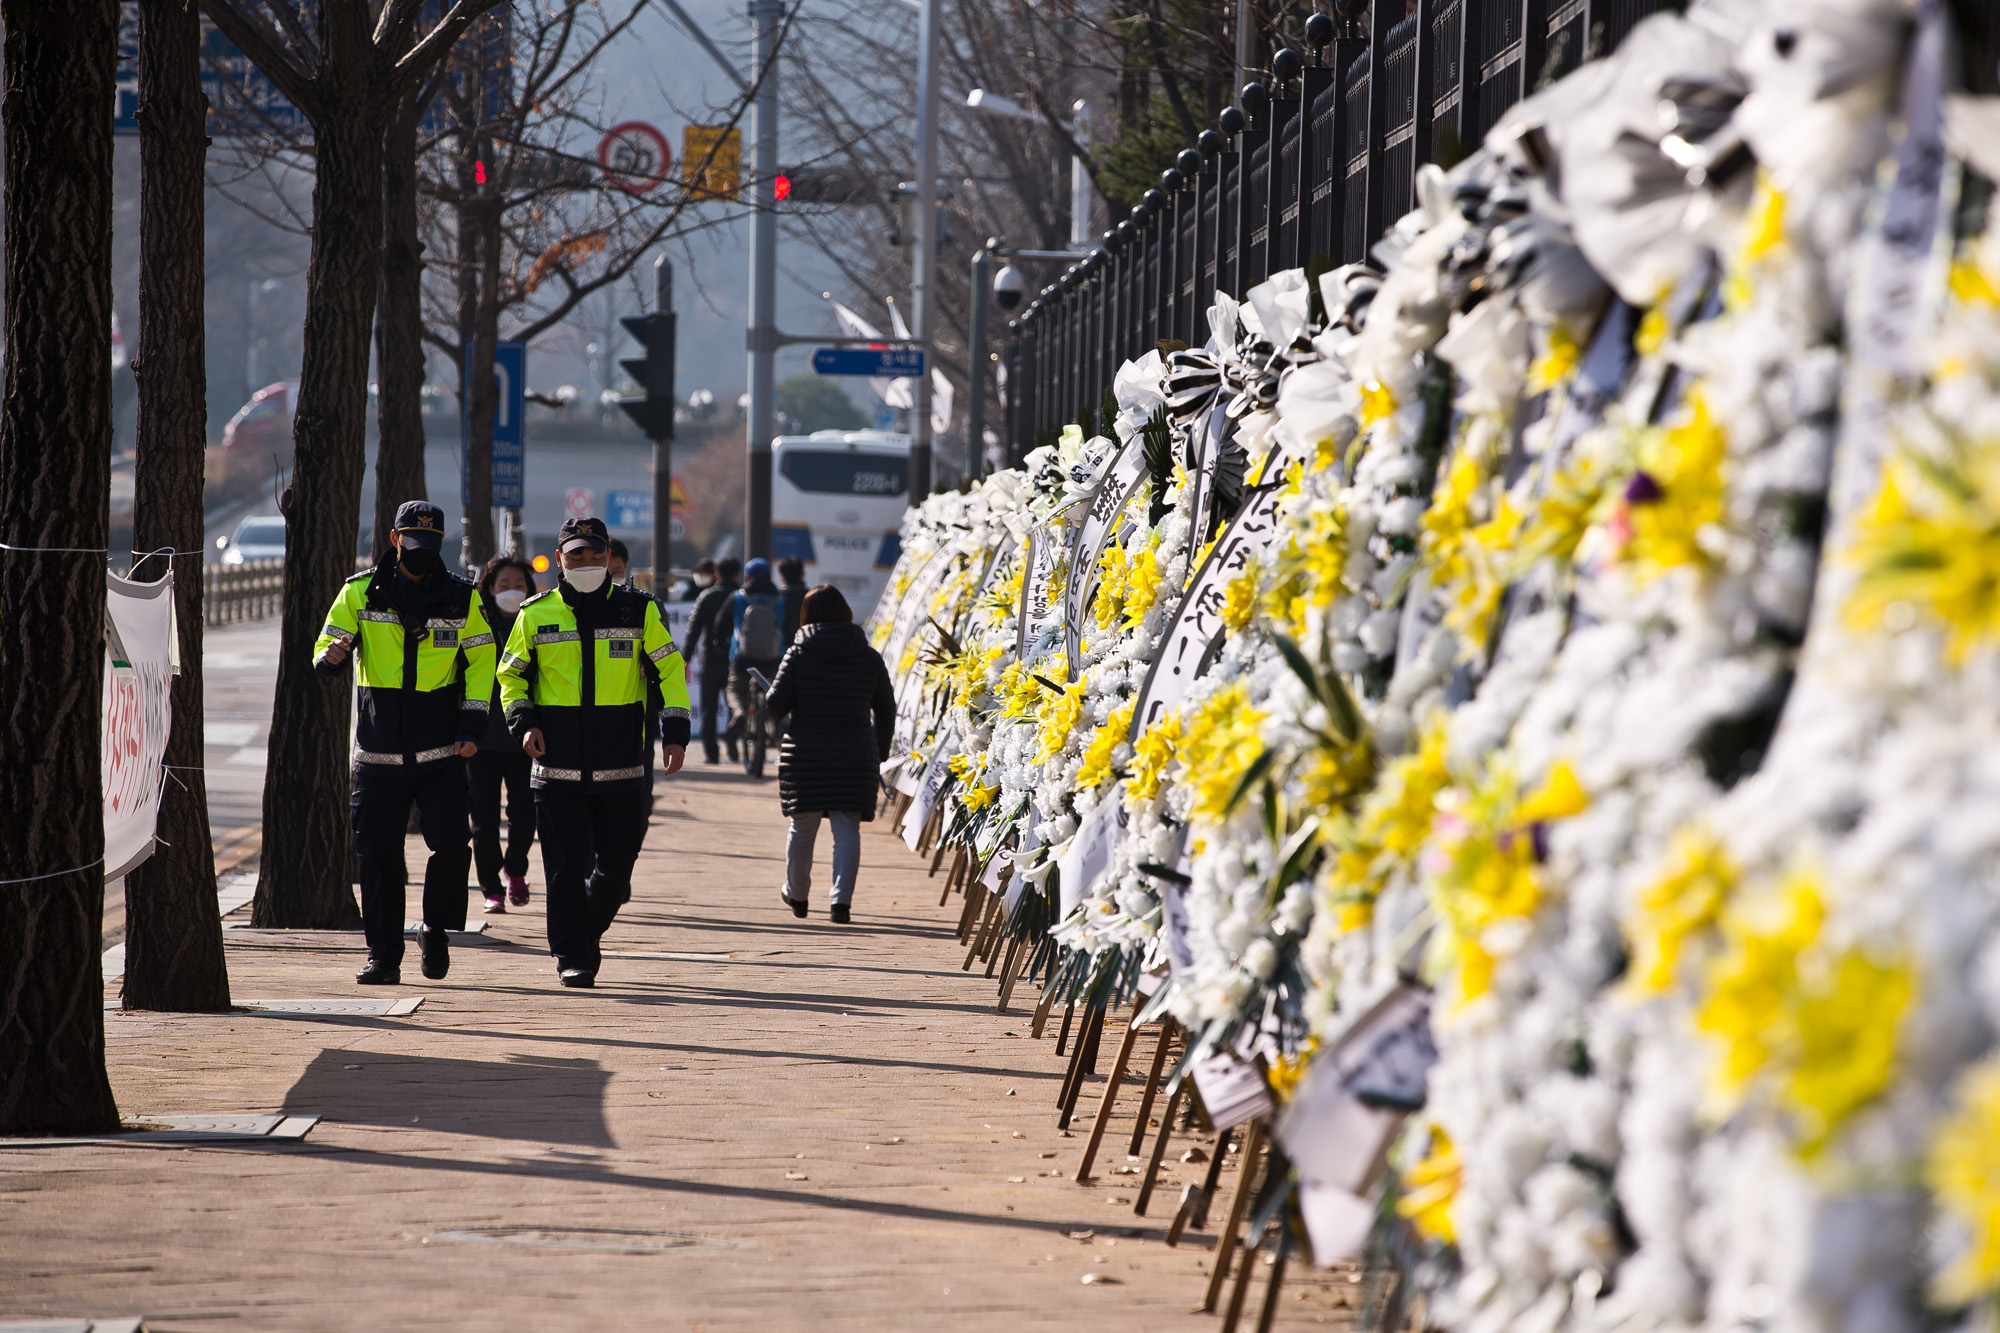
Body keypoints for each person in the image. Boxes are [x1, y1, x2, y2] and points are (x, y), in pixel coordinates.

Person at [498, 516, 690, 988]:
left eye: (596, 554)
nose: (587, 562)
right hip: (555, 766)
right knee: (564, 868)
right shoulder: (535, 613)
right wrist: (524, 724)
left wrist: (676, 732)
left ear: (609, 558)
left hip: (622, 765)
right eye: (577, 554)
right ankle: (572, 956)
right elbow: (510, 676)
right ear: (559, 559)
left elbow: (671, 672)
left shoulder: (638, 611)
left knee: (616, 869)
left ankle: (584, 932)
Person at [314, 501, 495, 985]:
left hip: (441, 752)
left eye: (430, 547)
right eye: (413, 545)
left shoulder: (462, 598)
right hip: (378, 753)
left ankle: (435, 928)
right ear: (396, 540)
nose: (421, 555)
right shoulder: (359, 592)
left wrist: (471, 726)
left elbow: (482, 662)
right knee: (377, 859)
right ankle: (383, 955)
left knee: (455, 848)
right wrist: (332, 656)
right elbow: (327, 644)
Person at [767, 585, 895, 924]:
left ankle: (797, 894)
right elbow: (886, 709)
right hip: (854, 753)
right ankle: (841, 902)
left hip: (805, 754)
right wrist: (879, 751)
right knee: (846, 828)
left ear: (806, 616)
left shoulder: (797, 654)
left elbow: (775, 706)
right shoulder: (869, 657)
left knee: (802, 826)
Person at [471, 555, 538, 914]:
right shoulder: (477, 625)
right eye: (503, 585)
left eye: (518, 585)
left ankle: (515, 870)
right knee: (483, 819)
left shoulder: (541, 623)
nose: (511, 591)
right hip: (480, 738)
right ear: (489, 589)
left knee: (525, 814)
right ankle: (491, 889)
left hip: (524, 738)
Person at [726, 557, 786, 756]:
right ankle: (777, 724)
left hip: (743, 658)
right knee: (774, 690)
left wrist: (720, 644)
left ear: (746, 576)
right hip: (773, 658)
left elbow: (720, 626)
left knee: (735, 689)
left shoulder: (738, 597)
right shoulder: (780, 599)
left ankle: (740, 712)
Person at [686, 556, 741, 763]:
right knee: (734, 705)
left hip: (710, 658)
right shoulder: (741, 597)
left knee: (708, 708)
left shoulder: (707, 596)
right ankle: (732, 738)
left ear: (717, 574)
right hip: (736, 660)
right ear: (737, 574)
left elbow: (694, 629)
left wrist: (686, 658)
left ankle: (711, 754)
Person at [777, 555, 807, 646]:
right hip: (807, 649)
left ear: (782, 577)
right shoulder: (812, 596)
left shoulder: (777, 598)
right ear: (803, 575)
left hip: (781, 650)